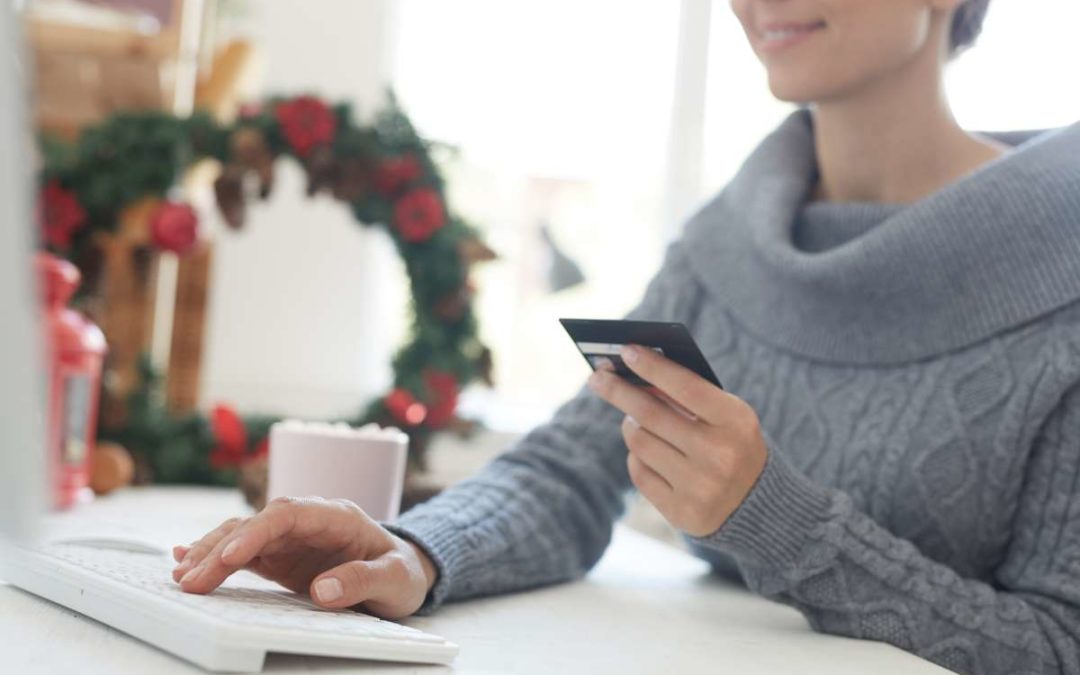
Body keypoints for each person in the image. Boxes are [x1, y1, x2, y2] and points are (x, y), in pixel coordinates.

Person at [171, 1, 1080, 673]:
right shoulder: (724, 245)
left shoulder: (1063, 272)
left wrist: (777, 520)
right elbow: (569, 472)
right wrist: (411, 553)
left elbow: (1057, 641)